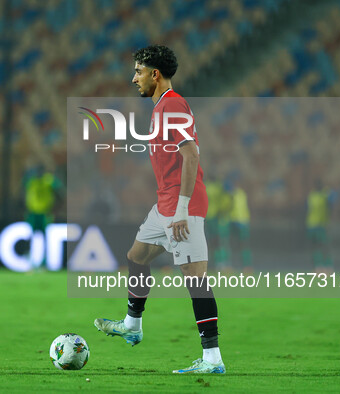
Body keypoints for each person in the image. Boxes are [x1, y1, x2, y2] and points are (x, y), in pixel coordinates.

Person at [94, 45, 225, 374]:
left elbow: (191, 154)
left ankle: (212, 359)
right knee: (136, 257)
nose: (133, 78)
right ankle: (132, 324)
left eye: (138, 71)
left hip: (183, 204)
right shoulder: (162, 108)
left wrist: (181, 209)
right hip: (166, 202)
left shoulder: (172, 104)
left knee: (195, 280)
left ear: (155, 74)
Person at [306, 180, 333, 272]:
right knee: (323, 247)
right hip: (320, 225)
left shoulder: (312, 196)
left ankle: (319, 267)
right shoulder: (324, 195)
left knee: (317, 247)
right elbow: (332, 200)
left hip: (312, 224)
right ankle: (326, 266)